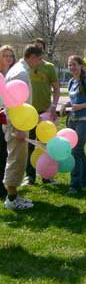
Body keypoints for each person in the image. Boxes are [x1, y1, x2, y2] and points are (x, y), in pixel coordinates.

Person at [3, 44, 44, 210]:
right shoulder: (20, 73)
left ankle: (13, 196)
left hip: (19, 123)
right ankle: (11, 199)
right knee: (16, 161)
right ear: (32, 57)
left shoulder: (19, 70)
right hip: (17, 125)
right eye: (40, 59)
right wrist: (18, 128)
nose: (40, 62)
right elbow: (14, 103)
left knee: (17, 160)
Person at [60, 55, 86, 194]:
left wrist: (81, 106)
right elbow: (73, 100)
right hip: (72, 120)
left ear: (81, 66)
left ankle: (74, 185)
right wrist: (66, 105)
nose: (72, 67)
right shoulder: (71, 81)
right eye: (70, 65)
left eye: (74, 65)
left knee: (75, 151)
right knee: (79, 152)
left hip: (84, 121)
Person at [23, 37, 60, 186]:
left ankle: (46, 175)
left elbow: (57, 89)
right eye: (35, 47)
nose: (38, 50)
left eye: (40, 48)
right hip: (28, 112)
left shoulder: (49, 67)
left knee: (45, 145)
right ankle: (30, 176)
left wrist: (53, 106)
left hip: (45, 112)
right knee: (29, 145)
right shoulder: (25, 68)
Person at [0, 45, 16, 200]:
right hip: (0, 116)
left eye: (11, 55)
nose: (9, 58)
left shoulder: (13, 74)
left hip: (10, 116)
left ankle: (5, 185)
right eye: (6, 55)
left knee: (6, 153)